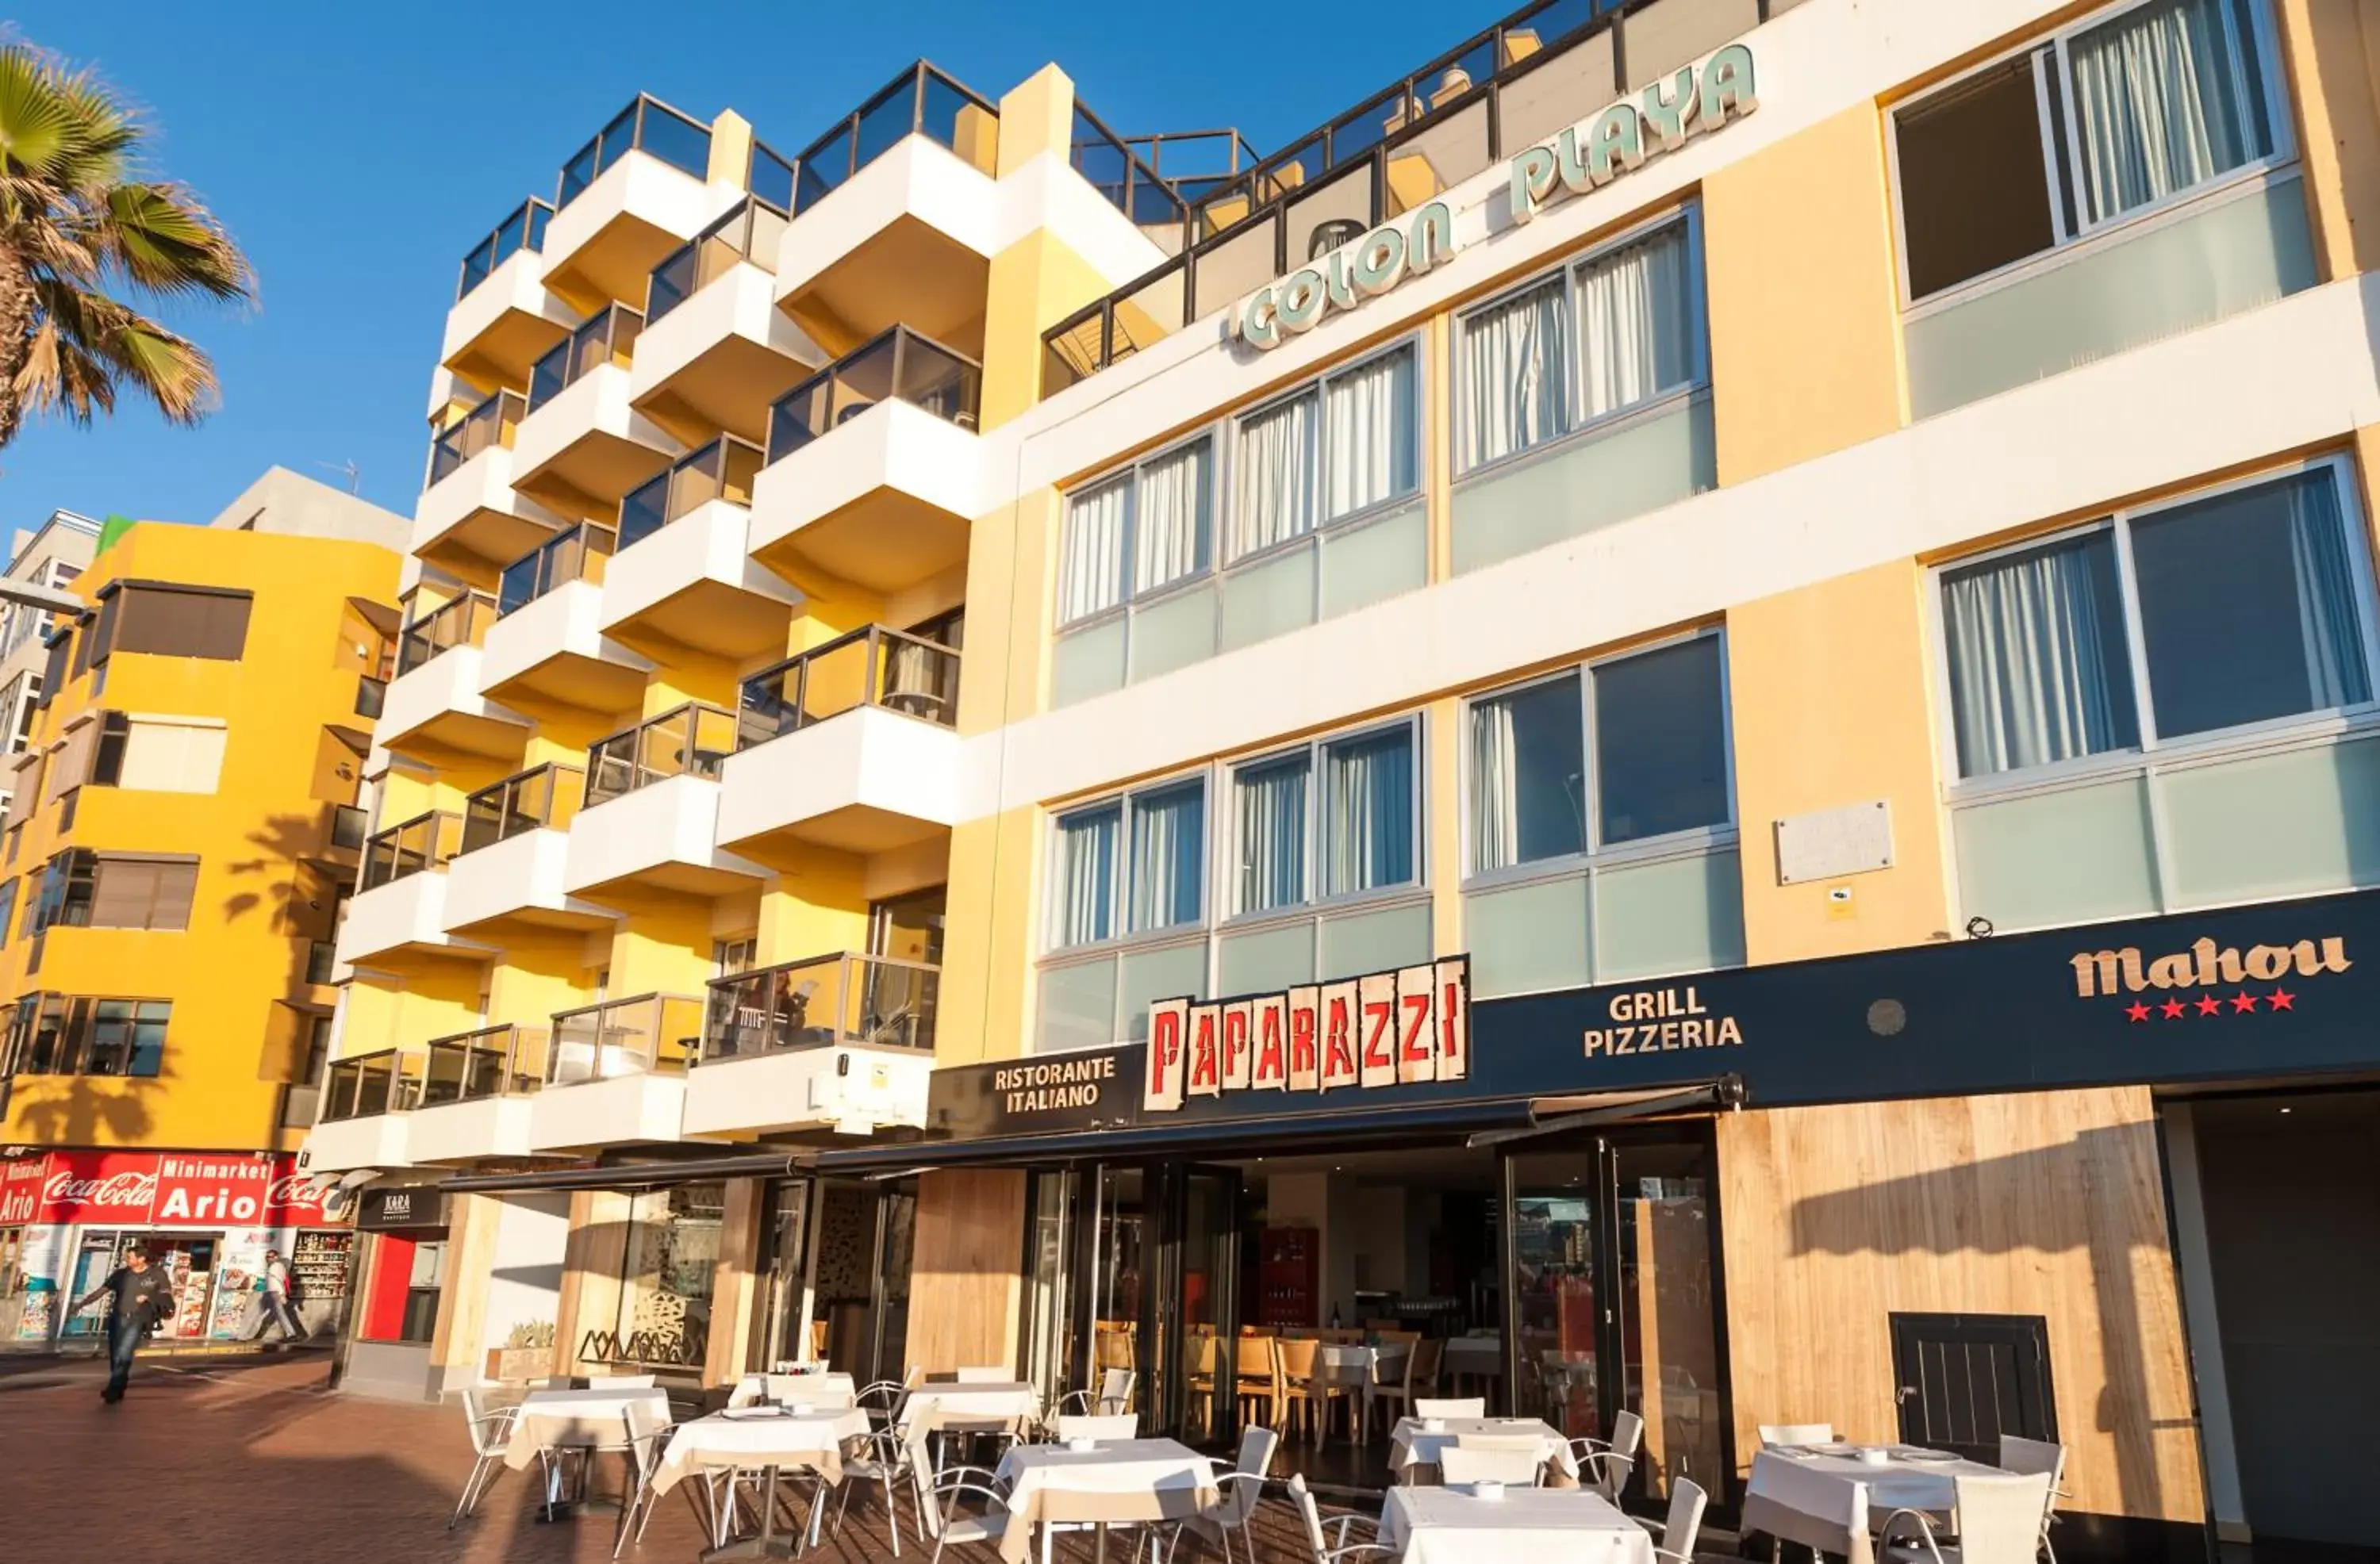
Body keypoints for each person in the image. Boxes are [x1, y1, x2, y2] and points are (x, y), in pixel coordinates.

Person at [72, 1241, 175, 1404]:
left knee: (124, 1352)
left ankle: (113, 1389)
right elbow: (102, 1290)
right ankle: (119, 1385)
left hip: (138, 1318)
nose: (127, 1259)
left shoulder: (157, 1274)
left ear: (141, 1259)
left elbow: (166, 1295)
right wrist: (82, 1304)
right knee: (115, 1354)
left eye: (130, 1257)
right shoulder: (121, 1275)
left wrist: (149, 1297)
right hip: (117, 1318)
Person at [248, 1248, 305, 1343]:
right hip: (270, 1294)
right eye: (267, 1257)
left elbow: (281, 1282)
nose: (268, 1259)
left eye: (270, 1257)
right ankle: (248, 1335)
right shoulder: (272, 1268)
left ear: (276, 1257)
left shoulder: (277, 1267)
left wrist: (282, 1294)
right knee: (264, 1315)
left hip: (276, 1295)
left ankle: (292, 1334)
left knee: (280, 1315)